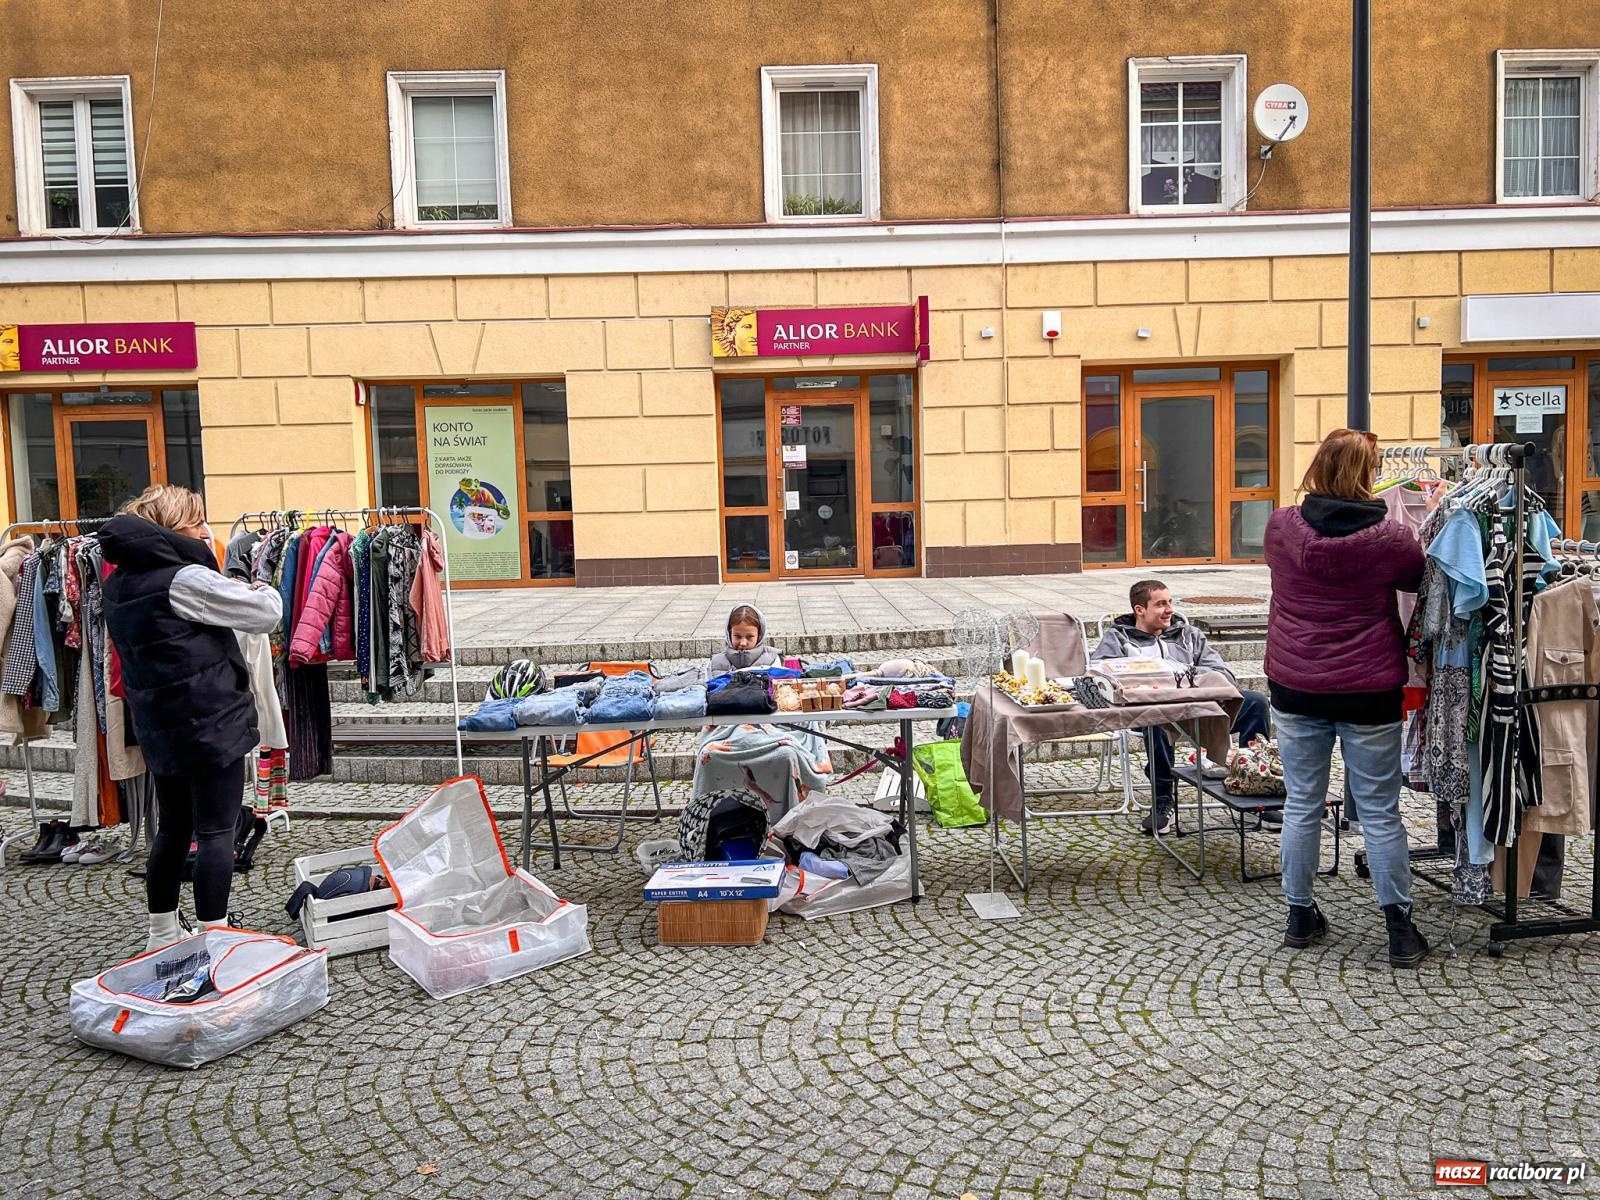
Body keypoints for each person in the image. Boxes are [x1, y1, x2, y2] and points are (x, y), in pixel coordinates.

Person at [1265, 428, 1427, 968]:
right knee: (1380, 810)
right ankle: (1399, 928)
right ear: (1369, 473)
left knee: (1303, 802)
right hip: (1368, 688)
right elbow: (1415, 580)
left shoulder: (1281, 527)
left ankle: (1300, 914)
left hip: (1296, 683)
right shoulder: (1392, 537)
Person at [99, 486, 284, 951]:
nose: (206, 532)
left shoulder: (119, 580)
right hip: (209, 720)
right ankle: (215, 939)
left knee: (174, 827)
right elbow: (265, 614)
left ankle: (161, 934)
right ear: (172, 530)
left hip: (161, 724)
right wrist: (259, 587)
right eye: (197, 523)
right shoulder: (183, 579)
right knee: (218, 829)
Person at [1091, 580, 1269, 834]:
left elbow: (1223, 673)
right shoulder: (1118, 638)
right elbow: (1099, 674)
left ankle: (1258, 787)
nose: (1169, 609)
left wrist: (1183, 676)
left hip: (1200, 706)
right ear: (1139, 610)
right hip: (1150, 710)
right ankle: (1163, 800)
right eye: (1161, 604)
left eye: (1170, 602)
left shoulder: (1189, 635)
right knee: (1158, 717)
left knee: (1257, 703)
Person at [708, 604, 779, 674]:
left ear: (759, 635)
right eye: (737, 636)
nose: (743, 643)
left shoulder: (772, 660)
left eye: (749, 637)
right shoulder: (716, 662)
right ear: (729, 634)